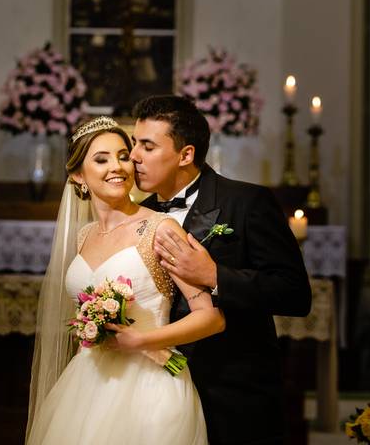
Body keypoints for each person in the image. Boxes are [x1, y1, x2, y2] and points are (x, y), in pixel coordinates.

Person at [26, 116, 224, 445]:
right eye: (101, 159)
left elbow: (211, 317)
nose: (117, 167)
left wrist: (143, 340)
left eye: (122, 156)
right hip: (87, 383)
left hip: (151, 388)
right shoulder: (83, 237)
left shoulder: (160, 228)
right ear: (78, 176)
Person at [129, 95, 312, 445]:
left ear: (186, 154)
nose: (134, 155)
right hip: (155, 389)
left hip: (230, 390)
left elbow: (294, 292)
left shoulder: (246, 203)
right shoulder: (138, 215)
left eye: (147, 146)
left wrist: (214, 276)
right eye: (135, 143)